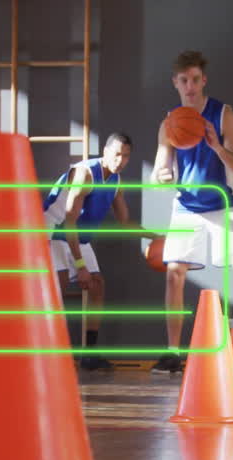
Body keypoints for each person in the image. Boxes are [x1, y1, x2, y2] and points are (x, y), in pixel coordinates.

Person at [150, 50, 233, 376]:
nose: (190, 86)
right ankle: (173, 353)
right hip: (187, 206)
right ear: (175, 83)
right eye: (184, 81)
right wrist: (161, 176)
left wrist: (218, 147)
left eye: (195, 79)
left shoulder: (223, 115)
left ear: (203, 80)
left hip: (222, 203)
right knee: (174, 273)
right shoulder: (170, 123)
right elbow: (159, 172)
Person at [43, 132, 148, 370]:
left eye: (126, 156)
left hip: (76, 237)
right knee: (54, 293)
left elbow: (125, 223)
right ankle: (48, 355)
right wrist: (80, 266)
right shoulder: (85, 174)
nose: (121, 160)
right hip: (51, 231)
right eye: (117, 154)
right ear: (105, 152)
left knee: (97, 285)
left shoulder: (116, 180)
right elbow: (68, 221)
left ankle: (89, 354)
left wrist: (157, 236)